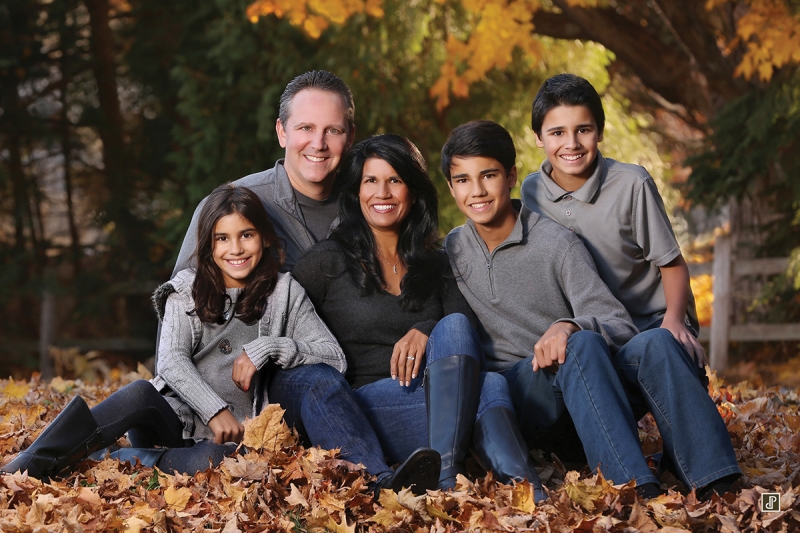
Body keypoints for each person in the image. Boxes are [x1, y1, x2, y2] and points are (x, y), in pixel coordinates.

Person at [1, 185, 437, 494]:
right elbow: (170, 362)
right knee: (137, 392)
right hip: (173, 421)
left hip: (229, 442)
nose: (236, 248)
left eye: (246, 235)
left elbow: (333, 359)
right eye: (222, 238)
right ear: (209, 246)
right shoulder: (185, 291)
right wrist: (214, 409)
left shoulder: (285, 291)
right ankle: (31, 463)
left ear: (264, 239)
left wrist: (269, 348)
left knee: (224, 463)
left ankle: (113, 461)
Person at [520, 73, 740, 498]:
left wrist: (674, 322)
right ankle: (637, 482)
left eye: (583, 129)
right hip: (595, 336)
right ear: (537, 138)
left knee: (657, 345)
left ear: (599, 131)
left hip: (650, 323)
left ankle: (720, 483)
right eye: (557, 132)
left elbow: (672, 264)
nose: (572, 143)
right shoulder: (532, 192)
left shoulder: (631, 184)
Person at [290, 134, 544, 499]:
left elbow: (464, 327)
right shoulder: (326, 262)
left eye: (395, 180)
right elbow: (283, 331)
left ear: (413, 190)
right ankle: (524, 492)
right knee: (490, 386)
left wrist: (425, 328)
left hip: (438, 397)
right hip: (364, 407)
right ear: (356, 192)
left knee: (462, 340)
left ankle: (508, 492)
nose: (383, 193)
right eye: (371, 181)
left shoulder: (435, 262)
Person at [440, 120, 674, 497]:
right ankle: (636, 487)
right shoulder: (451, 252)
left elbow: (619, 324)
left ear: (512, 175)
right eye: (463, 180)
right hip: (505, 402)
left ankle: (634, 488)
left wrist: (569, 325)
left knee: (583, 343)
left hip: (570, 392)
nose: (477, 191)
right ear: (451, 188)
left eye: (488, 175)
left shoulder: (557, 244)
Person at [173, 70, 356, 274]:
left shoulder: (366, 210)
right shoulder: (225, 207)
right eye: (306, 128)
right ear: (282, 132)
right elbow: (182, 300)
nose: (318, 144)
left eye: (333, 131)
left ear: (350, 138)